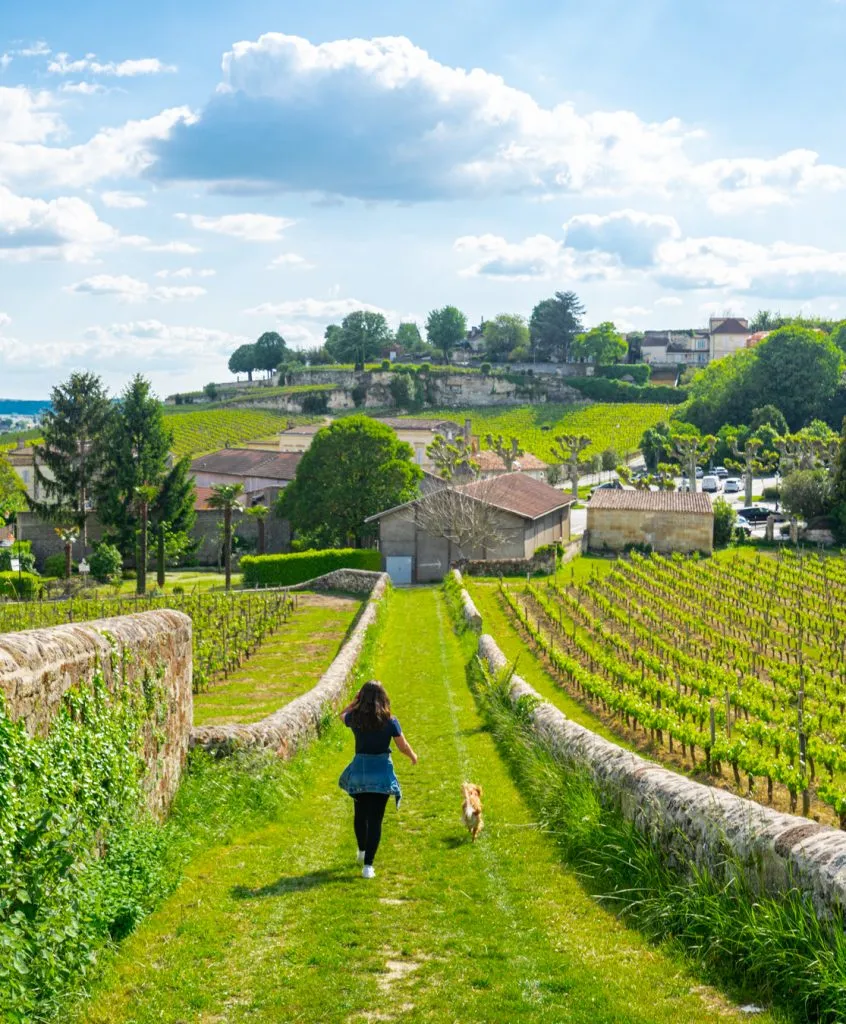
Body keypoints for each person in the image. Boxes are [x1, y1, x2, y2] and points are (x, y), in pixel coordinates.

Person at [338, 681, 418, 879]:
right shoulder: (390, 720)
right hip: (381, 772)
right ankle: (368, 866)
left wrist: (353, 703)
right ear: (383, 698)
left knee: (360, 815)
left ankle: (361, 851)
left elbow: (341, 716)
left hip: (360, 772)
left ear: (361, 699)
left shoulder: (355, 718)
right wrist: (413, 756)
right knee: (375, 820)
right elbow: (402, 746)